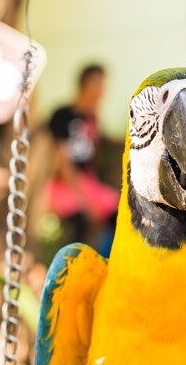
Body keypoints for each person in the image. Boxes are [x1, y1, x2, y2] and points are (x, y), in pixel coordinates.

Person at [46, 64, 118, 257]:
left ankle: (105, 263)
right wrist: (87, 202)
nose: (102, 91)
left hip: (86, 184)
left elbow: (91, 163)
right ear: (85, 85)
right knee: (80, 220)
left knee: (119, 215)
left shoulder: (93, 118)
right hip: (62, 185)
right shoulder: (62, 115)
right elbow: (62, 163)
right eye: (98, 85)